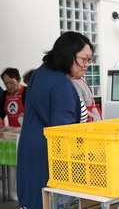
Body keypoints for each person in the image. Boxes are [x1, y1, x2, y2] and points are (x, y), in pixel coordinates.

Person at [16, 31, 94, 209]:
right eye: (83, 59)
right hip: (49, 160)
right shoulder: (61, 84)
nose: (86, 65)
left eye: (89, 59)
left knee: (32, 200)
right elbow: (64, 132)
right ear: (67, 54)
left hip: (31, 150)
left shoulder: (41, 73)